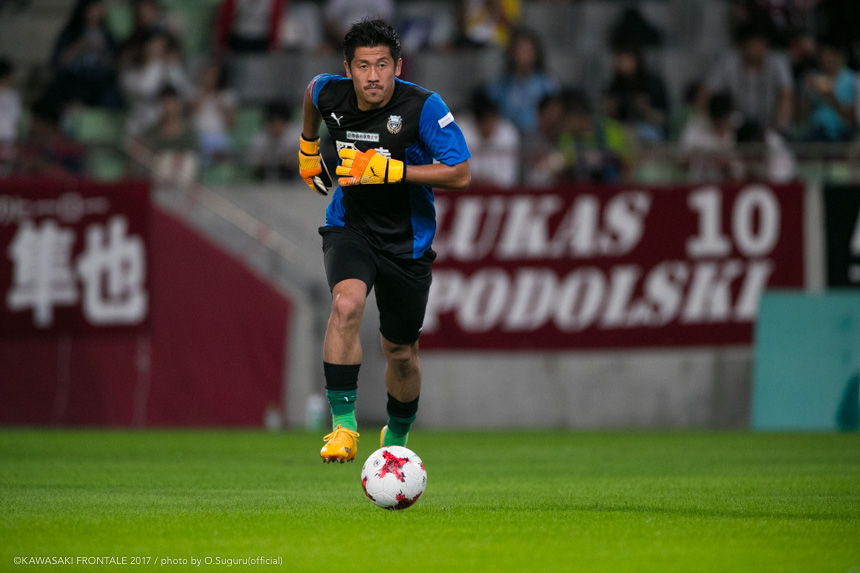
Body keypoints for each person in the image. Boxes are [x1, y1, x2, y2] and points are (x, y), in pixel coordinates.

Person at [299, 18, 471, 463]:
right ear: (348, 69)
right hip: (350, 227)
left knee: (400, 352)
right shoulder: (330, 92)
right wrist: (307, 147)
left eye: (382, 65)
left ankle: (397, 432)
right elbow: (312, 92)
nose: (373, 76)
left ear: (398, 65)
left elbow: (460, 172)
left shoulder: (423, 107)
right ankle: (343, 427)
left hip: (406, 243)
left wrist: (395, 171)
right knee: (345, 305)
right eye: (363, 66)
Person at [698, 23, 794, 134]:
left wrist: (779, 130)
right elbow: (704, 94)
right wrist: (712, 128)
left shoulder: (777, 62)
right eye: (752, 44)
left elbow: (787, 95)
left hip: (770, 126)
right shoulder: (728, 62)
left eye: (760, 43)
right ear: (742, 45)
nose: (756, 49)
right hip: (736, 127)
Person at [44, 0, 122, 108]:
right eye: (92, 8)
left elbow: (115, 64)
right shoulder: (71, 32)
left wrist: (101, 51)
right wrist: (81, 45)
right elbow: (58, 61)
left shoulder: (107, 35)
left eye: (98, 8)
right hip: (74, 78)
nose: (95, 12)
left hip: (99, 81)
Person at [485, 27, 559, 135]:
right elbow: (490, 114)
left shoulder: (547, 84)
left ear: (536, 53)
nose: (524, 56)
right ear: (512, 53)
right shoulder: (499, 85)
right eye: (520, 51)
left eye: (528, 51)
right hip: (507, 138)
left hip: (538, 136)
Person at [603, 43, 670, 144]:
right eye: (619, 61)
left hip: (650, 129)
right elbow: (610, 117)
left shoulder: (652, 83)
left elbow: (664, 119)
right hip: (623, 129)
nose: (621, 65)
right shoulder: (616, 84)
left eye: (625, 60)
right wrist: (610, 109)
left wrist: (646, 109)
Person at [457, 88, 520, 187]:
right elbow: (457, 174)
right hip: (467, 190)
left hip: (499, 190)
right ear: (477, 122)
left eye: (493, 121)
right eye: (486, 122)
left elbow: (509, 177)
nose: (491, 126)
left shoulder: (508, 134)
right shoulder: (462, 134)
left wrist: (489, 182)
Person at [799, 38, 858, 142]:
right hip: (815, 133)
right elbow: (800, 117)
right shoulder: (814, 78)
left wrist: (832, 99)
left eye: (829, 55)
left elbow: (854, 118)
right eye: (822, 56)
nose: (825, 60)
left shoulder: (852, 79)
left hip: (842, 135)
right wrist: (806, 92)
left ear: (838, 56)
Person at [247, 101, 301, 181]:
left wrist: (294, 159)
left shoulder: (297, 137)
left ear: (286, 123)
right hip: (265, 176)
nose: (275, 127)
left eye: (279, 123)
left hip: (293, 177)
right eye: (272, 123)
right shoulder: (259, 139)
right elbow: (252, 162)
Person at [0, 56, 21, 175]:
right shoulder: (14, 97)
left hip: (8, 141)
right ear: (8, 77)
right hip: (8, 140)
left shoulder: (14, 96)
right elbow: (16, 123)